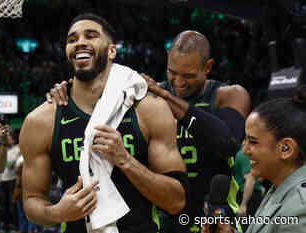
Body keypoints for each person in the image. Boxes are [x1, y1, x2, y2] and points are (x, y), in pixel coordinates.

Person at [48, 30, 251, 232]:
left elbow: (228, 143)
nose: (179, 82)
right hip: (166, 219)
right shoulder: (149, 98)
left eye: (188, 75)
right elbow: (96, 95)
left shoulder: (228, 95)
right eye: (172, 72)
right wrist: (66, 90)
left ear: (208, 67)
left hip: (215, 217)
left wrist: (165, 95)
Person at [19, 13, 188, 233]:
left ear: (111, 51)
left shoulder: (148, 110)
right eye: (72, 39)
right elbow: (32, 200)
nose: (80, 42)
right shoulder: (40, 121)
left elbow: (175, 201)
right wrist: (58, 213)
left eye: (90, 36)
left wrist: (125, 160)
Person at [202, 84, 306, 233]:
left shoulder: (301, 205)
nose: (244, 150)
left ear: (286, 148)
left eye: (253, 141)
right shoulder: (281, 189)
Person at [0, 128, 21, 233]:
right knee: (3, 206)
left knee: (13, 206)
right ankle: (5, 226)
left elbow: (11, 163)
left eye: (8, 137)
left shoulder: (18, 149)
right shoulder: (2, 150)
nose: (6, 139)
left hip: (13, 181)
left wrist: (1, 154)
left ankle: (15, 226)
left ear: (13, 139)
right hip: (2, 182)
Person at [234, 148, 263, 232]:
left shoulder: (244, 154)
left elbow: (250, 179)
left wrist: (243, 205)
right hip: (248, 196)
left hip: (248, 198)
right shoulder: (244, 153)